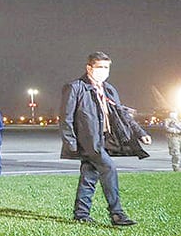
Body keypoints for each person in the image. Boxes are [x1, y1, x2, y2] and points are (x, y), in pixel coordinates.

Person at [61, 51, 151, 226]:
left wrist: (141, 133)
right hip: (88, 141)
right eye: (99, 67)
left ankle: (81, 214)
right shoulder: (75, 87)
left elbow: (122, 115)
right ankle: (117, 213)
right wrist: (70, 142)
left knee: (89, 175)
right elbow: (66, 118)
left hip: (105, 140)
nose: (103, 71)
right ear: (89, 68)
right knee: (108, 168)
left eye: (106, 67)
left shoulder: (109, 90)